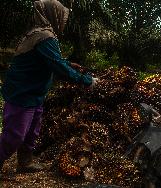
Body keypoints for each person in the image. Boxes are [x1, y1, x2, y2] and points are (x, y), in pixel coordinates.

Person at [0, 0, 98, 174]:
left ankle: (25, 162)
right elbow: (57, 66)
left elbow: (51, 61)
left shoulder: (41, 34)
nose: (64, 21)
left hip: (34, 92)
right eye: (63, 17)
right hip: (22, 93)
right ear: (53, 14)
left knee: (32, 131)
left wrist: (67, 63)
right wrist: (87, 80)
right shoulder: (44, 37)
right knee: (15, 136)